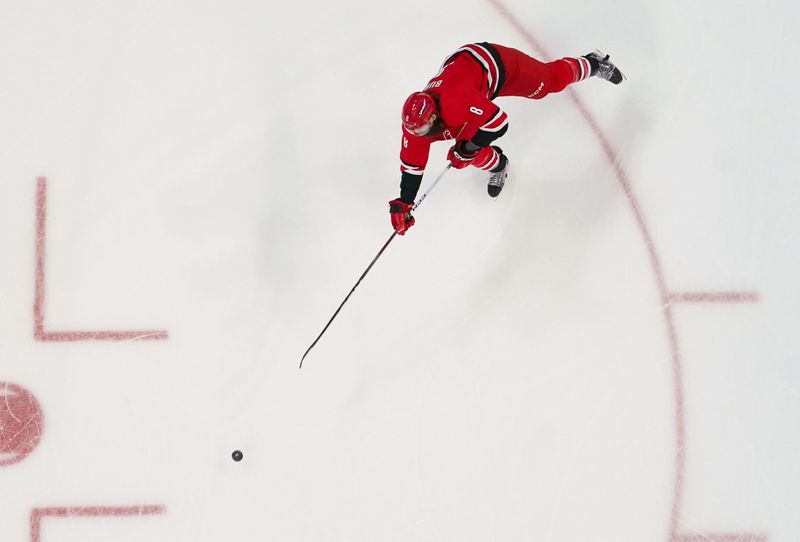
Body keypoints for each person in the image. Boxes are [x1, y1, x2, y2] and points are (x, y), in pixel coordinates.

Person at [389, 42, 624, 235]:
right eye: (417, 132)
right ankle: (500, 165)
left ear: (434, 116)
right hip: (467, 81)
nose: (421, 136)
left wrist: (468, 147)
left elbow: (499, 122)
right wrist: (403, 202)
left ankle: (593, 63)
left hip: (496, 66)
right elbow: (412, 166)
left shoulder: (456, 101)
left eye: (425, 130)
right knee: (467, 152)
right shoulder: (415, 126)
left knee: (547, 83)